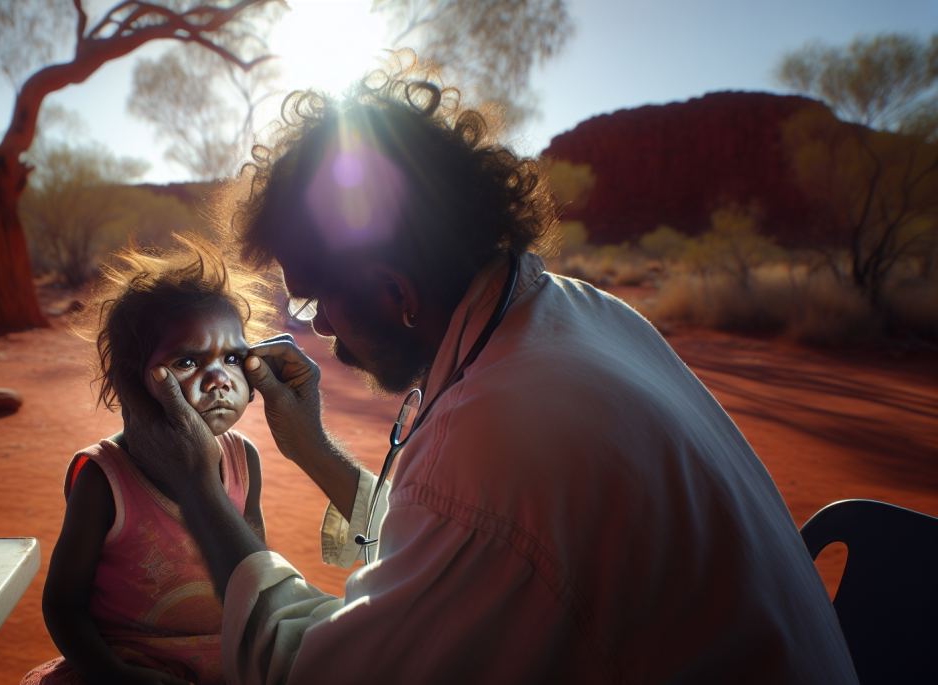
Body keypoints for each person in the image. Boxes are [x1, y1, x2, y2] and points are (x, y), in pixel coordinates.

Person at [125, 62, 858, 683]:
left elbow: (311, 670)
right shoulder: (580, 313)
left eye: (317, 296)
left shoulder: (495, 439)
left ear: (397, 294)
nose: (315, 325)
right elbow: (452, 545)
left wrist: (195, 485)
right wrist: (312, 446)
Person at [23, 238, 269, 685]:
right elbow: (64, 605)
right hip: (133, 665)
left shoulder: (243, 459)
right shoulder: (105, 478)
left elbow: (256, 572)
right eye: (188, 361)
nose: (219, 380)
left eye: (233, 357)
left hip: (228, 659)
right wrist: (115, 674)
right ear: (131, 378)